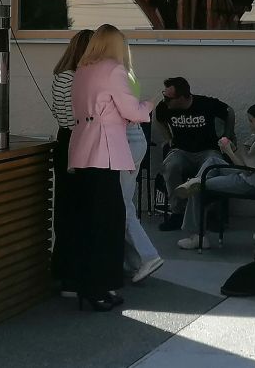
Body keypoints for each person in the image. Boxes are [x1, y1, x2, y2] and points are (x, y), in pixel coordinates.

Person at [66, 24, 151, 312]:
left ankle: (87, 285)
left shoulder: (82, 70)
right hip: (105, 152)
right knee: (109, 223)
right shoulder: (115, 70)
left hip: (82, 149)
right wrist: (149, 106)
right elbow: (131, 111)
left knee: (89, 222)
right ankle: (101, 287)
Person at [174, 103, 255, 250]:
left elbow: (247, 170)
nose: (250, 125)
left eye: (251, 121)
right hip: (248, 174)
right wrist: (233, 148)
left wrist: (228, 151)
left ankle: (198, 236)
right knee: (213, 160)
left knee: (197, 188)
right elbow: (247, 162)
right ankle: (196, 181)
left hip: (249, 182)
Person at [155, 77, 233, 231]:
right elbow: (158, 118)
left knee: (214, 167)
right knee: (170, 167)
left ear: (182, 97)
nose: (165, 101)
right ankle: (177, 213)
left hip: (207, 150)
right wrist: (168, 138)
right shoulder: (165, 107)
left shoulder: (205, 104)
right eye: (164, 95)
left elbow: (229, 111)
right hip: (181, 150)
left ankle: (211, 213)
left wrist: (227, 136)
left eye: (169, 98)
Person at [50, 28, 93, 293]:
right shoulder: (71, 78)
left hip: (68, 141)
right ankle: (70, 273)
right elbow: (70, 118)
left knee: (69, 208)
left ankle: (65, 268)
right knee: (73, 210)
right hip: (75, 143)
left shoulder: (62, 76)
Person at [119, 59, 163, 284]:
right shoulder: (127, 74)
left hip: (125, 141)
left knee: (121, 204)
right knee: (125, 202)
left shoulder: (115, 74)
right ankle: (135, 260)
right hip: (135, 138)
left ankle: (147, 255)